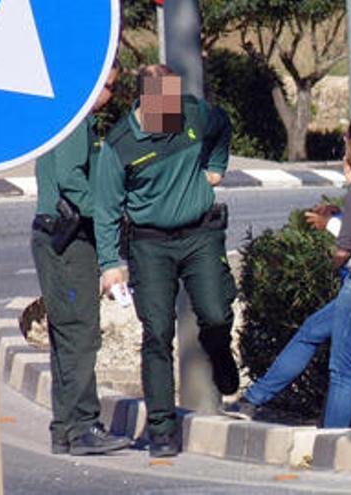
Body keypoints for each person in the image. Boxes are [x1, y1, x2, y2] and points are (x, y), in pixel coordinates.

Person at [226, 113, 351, 427]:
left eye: (346, 143)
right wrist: (340, 213)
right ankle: (254, 399)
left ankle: (332, 441)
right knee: (311, 331)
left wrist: (330, 264)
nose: (343, 148)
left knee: (343, 373)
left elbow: (344, 250)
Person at [92, 64, 238, 457]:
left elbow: (220, 125)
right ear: (145, 101)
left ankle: (219, 351)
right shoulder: (120, 143)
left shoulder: (191, 113)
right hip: (150, 245)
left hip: (199, 235)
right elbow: (106, 209)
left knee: (216, 312)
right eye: (165, 106)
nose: (174, 113)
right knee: (157, 333)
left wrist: (215, 168)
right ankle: (161, 428)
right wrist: (109, 264)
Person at [31, 64, 131, 455]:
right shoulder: (74, 123)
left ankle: (66, 427)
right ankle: (84, 426)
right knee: (79, 334)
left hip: (57, 236)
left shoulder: (66, 121)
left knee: (66, 336)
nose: (110, 95)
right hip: (69, 239)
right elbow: (72, 180)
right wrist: (108, 212)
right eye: (108, 87)